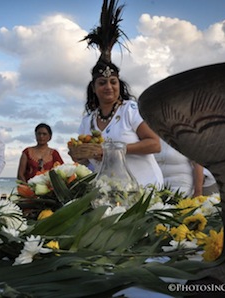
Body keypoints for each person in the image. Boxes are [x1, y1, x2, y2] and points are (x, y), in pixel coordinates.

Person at [71, 0, 163, 188]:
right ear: (94, 88)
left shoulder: (130, 110)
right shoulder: (87, 121)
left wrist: (111, 150)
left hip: (143, 187)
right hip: (108, 190)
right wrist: (78, 154)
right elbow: (87, 161)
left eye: (113, 82)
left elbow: (155, 144)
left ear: (119, 85)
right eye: (102, 83)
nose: (109, 87)